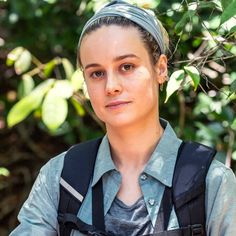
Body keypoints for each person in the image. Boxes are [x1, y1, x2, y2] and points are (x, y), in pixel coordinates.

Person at [10, 1, 236, 236]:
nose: (111, 86)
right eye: (97, 73)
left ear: (160, 69)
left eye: (126, 66)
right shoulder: (60, 179)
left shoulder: (211, 182)